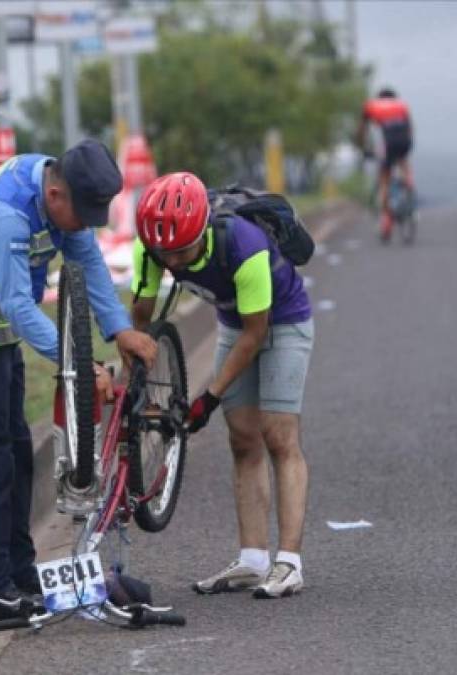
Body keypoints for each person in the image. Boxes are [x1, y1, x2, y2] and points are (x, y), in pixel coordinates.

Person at [0, 140, 157, 627]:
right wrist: (78, 365)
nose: (85, 226)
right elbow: (19, 306)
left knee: (17, 459)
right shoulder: (6, 215)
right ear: (54, 193)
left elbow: (88, 264)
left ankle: (20, 576)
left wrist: (119, 329)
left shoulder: (60, 195)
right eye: (81, 214)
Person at [130, 172, 314, 599]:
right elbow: (141, 315)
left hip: (282, 322)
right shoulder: (153, 247)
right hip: (234, 323)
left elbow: (257, 332)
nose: (173, 262)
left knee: (278, 435)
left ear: (201, 230)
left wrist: (208, 397)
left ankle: (289, 563)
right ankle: (253, 560)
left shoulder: (244, 244)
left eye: (182, 252)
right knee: (242, 440)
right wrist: (135, 371)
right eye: (165, 254)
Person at [358, 87, 414, 240]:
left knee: (384, 179)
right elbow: (409, 128)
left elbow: (362, 130)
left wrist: (362, 147)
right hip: (404, 141)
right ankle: (408, 182)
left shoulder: (371, 105)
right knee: (402, 159)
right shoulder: (401, 105)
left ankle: (387, 221)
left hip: (388, 143)